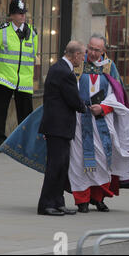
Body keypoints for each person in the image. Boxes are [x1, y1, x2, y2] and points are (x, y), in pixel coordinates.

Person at [70, 34, 129, 213]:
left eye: (97, 50)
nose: (93, 53)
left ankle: (98, 197)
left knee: (103, 159)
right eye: (91, 49)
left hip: (102, 120)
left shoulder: (109, 67)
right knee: (80, 161)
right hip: (80, 121)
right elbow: (69, 88)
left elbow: (117, 95)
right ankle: (82, 199)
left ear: (104, 51)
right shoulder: (78, 63)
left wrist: (104, 108)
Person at [37, 41, 87, 216]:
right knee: (55, 166)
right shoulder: (64, 72)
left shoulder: (60, 68)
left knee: (62, 166)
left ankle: (58, 202)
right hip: (57, 127)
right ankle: (46, 204)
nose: (83, 59)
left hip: (60, 127)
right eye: (82, 55)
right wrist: (85, 107)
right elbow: (73, 99)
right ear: (74, 55)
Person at [0, 0, 38, 152]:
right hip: (5, 76)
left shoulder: (32, 32)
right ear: (11, 15)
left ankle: (24, 143)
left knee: (26, 113)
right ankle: (0, 141)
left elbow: (33, 55)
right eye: (18, 13)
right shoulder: (1, 30)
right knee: (0, 110)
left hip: (24, 79)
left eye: (23, 13)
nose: (22, 16)